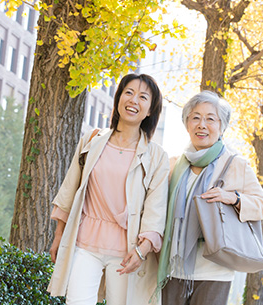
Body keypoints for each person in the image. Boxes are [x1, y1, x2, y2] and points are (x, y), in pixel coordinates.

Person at [47, 73, 170, 305]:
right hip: (85, 243)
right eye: (129, 93)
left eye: (143, 97)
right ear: (118, 99)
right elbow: (70, 189)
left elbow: (156, 209)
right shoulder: (93, 139)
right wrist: (58, 235)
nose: (134, 100)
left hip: (127, 251)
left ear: (150, 110)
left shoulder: (156, 156)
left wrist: (142, 251)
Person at [157, 91, 263, 305]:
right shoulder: (174, 165)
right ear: (187, 123)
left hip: (215, 269)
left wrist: (233, 198)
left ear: (221, 127)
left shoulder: (235, 164)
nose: (202, 124)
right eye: (195, 117)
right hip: (173, 268)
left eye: (210, 118)